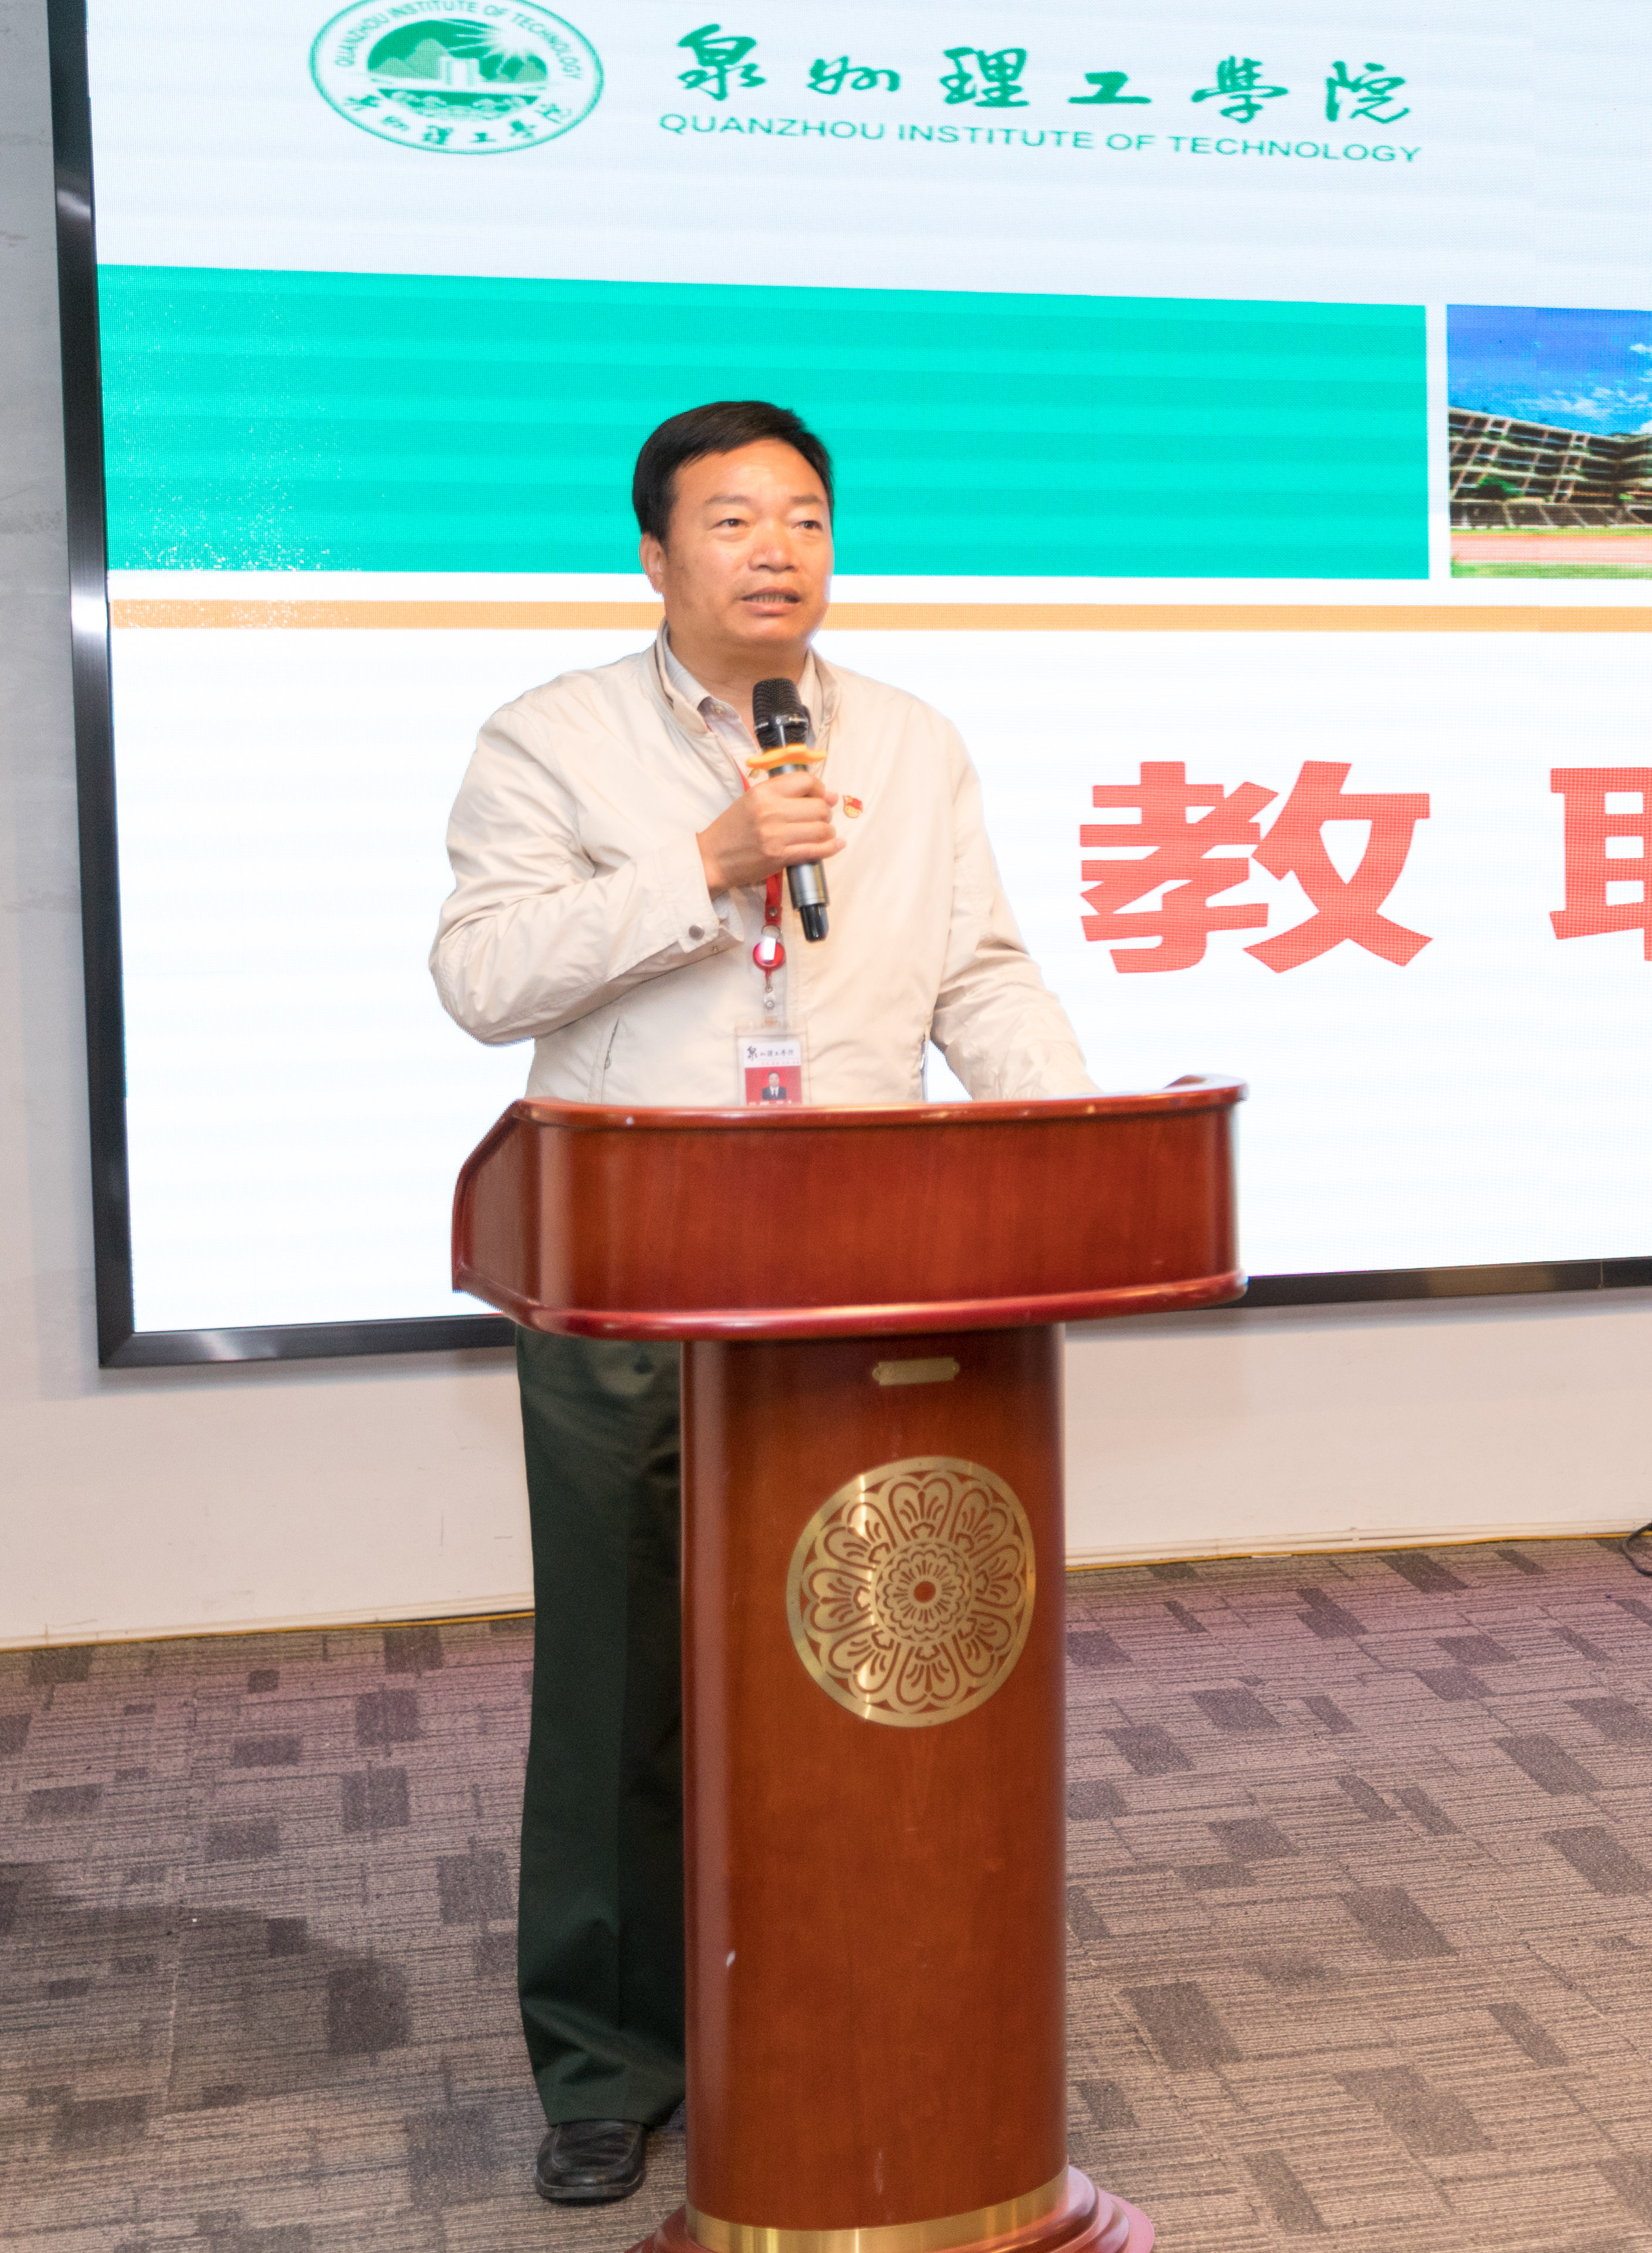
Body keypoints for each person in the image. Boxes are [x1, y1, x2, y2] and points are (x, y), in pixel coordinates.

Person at [430, 401, 1094, 2205]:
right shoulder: (550, 737)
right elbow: (481, 976)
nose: (776, 548)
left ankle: (847, 1989)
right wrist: (705, 862)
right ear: (656, 554)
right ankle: (607, 2056)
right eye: (732, 519)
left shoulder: (910, 739)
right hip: (636, 1277)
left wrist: (1063, 1138)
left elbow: (977, 968)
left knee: (871, 1654)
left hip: (868, 1272)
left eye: (803, 514)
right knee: (624, 1678)